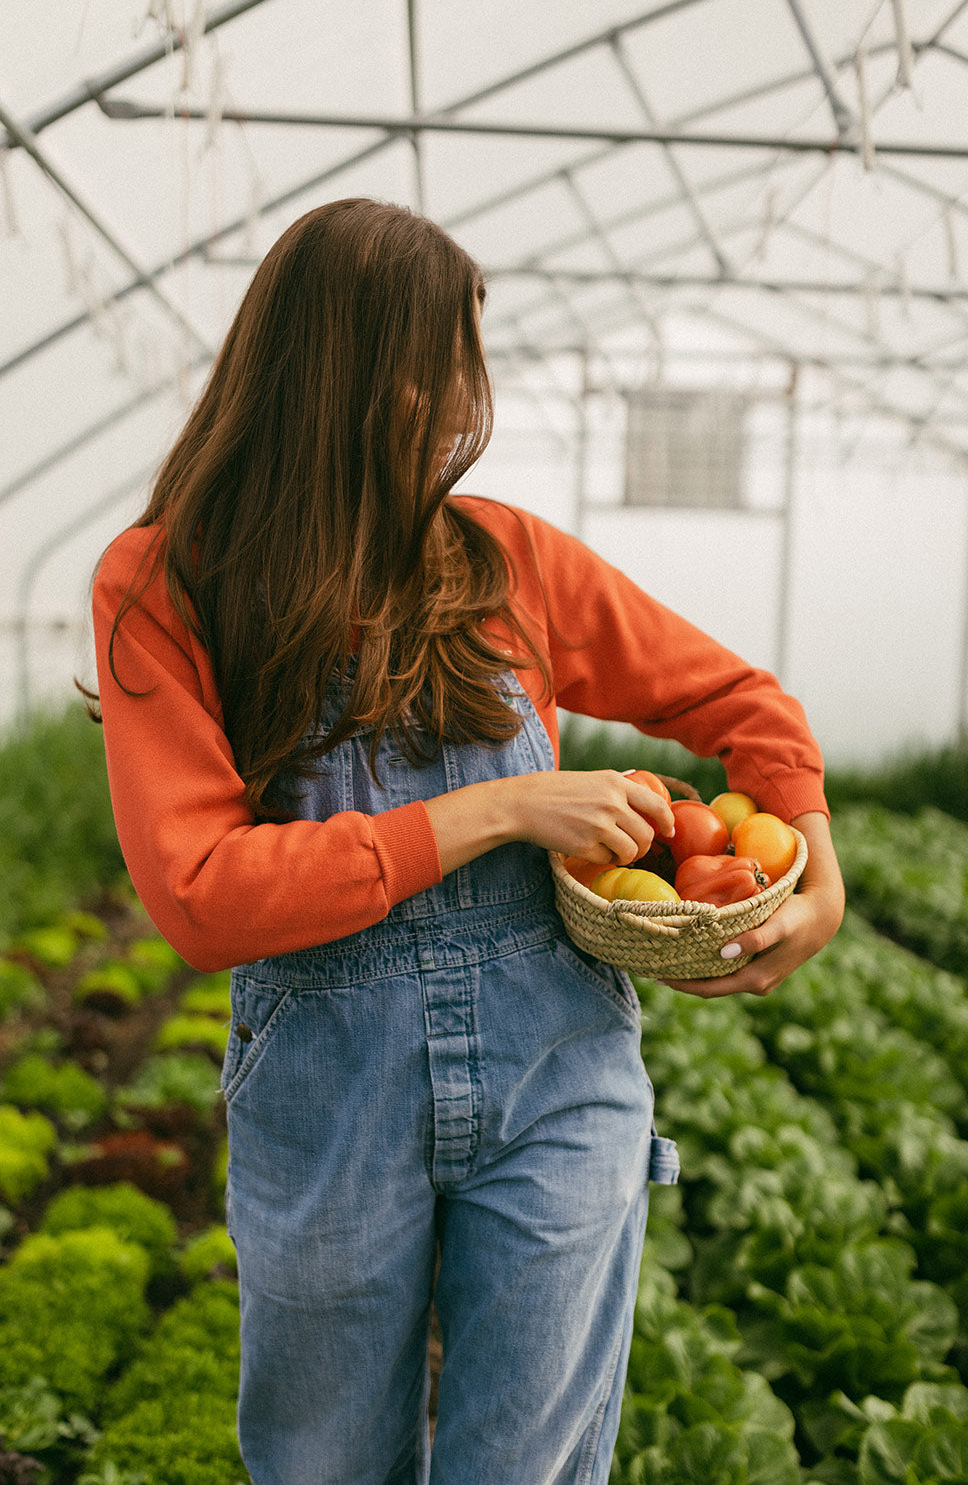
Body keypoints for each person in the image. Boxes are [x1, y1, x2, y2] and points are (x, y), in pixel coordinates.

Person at [89, 197, 845, 1485]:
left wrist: (814, 874)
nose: (462, 390)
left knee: (528, 1468)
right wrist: (500, 806)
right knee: (325, 1463)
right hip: (327, 1083)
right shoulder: (169, 583)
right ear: (358, 370)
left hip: (556, 1063)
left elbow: (743, 704)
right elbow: (204, 897)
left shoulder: (507, 562)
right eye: (445, 353)